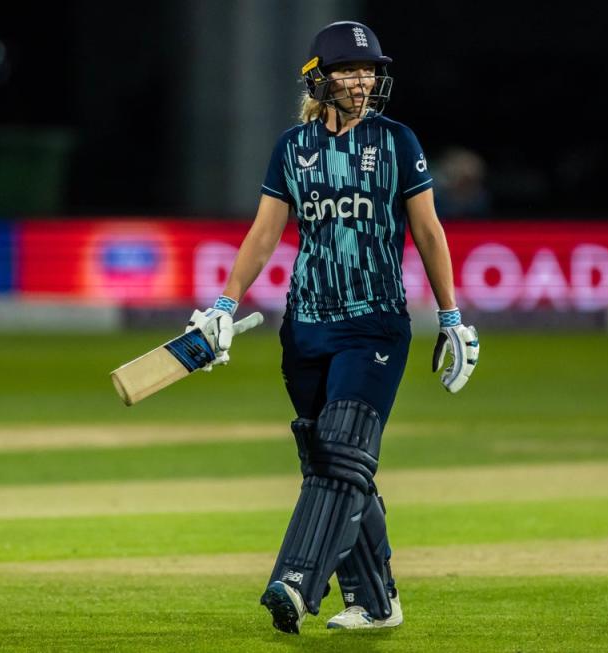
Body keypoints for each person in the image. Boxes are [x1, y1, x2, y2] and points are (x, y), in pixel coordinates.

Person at [187, 20, 479, 634]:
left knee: (344, 450)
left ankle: (295, 581)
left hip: (374, 325)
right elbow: (264, 234)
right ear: (318, 79)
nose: (363, 80)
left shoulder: (397, 141)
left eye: (370, 70)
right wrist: (222, 305)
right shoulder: (292, 148)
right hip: (306, 328)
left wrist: (451, 317)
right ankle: (376, 602)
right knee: (334, 461)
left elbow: (428, 231)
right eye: (349, 70)